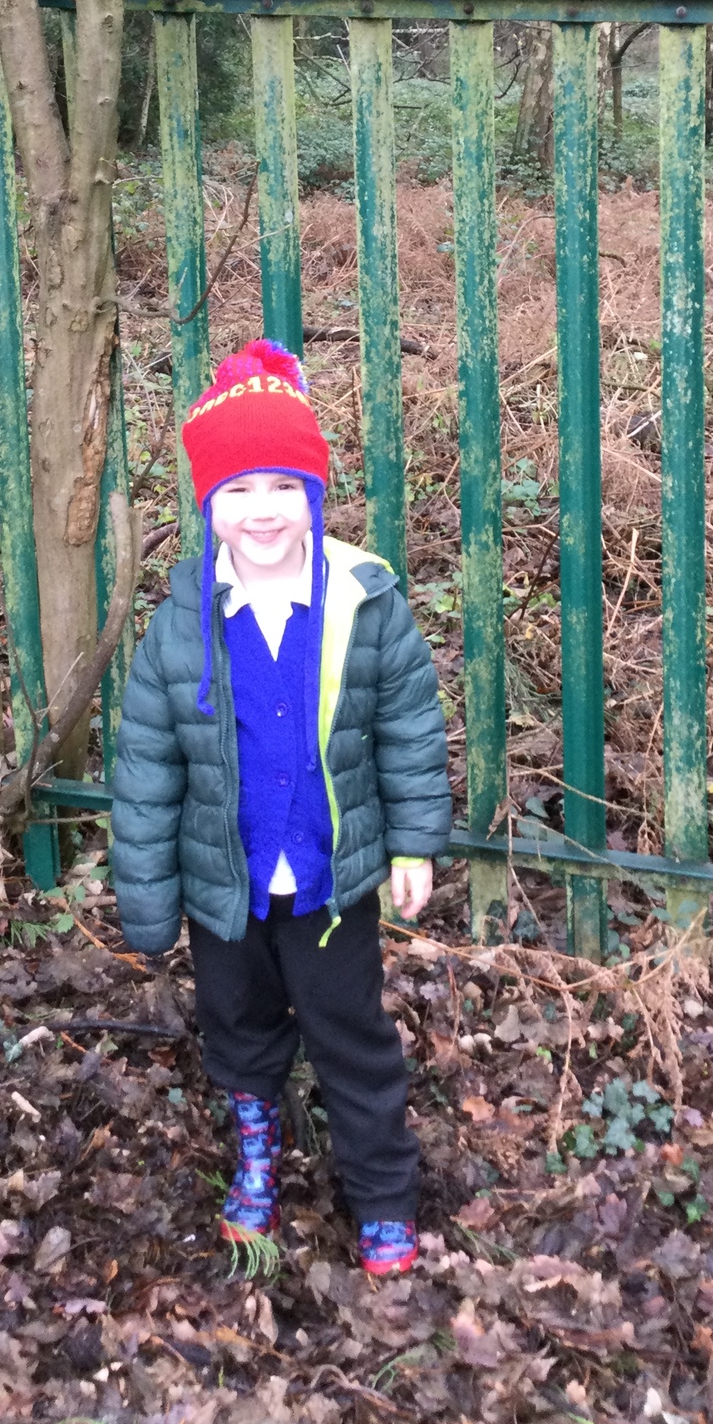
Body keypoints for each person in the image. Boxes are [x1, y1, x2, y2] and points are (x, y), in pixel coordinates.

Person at [111, 340, 452, 1277]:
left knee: (352, 1036)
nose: (262, 510)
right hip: (226, 885)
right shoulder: (182, 624)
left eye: (283, 486)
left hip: (329, 885)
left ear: (314, 494)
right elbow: (147, 766)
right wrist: (149, 899)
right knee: (239, 1026)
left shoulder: (364, 605)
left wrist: (414, 844)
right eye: (239, 490)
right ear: (208, 504)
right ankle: (258, 1150)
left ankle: (382, 1193)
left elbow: (409, 731)